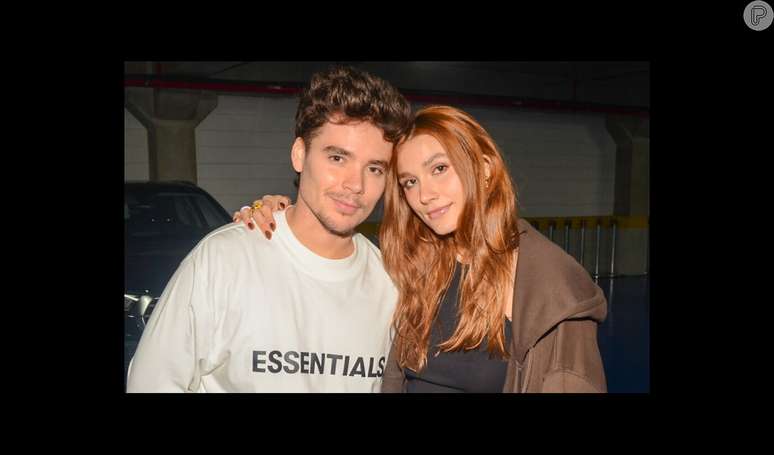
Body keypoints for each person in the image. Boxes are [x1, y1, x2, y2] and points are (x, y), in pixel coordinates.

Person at [238, 105, 608, 392]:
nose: (424, 195)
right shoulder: (420, 265)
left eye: (440, 169)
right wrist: (279, 213)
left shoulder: (550, 291)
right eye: (410, 181)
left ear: (484, 168)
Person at [126, 65, 413, 392]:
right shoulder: (224, 260)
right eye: (337, 158)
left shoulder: (390, 284)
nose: (356, 184)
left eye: (374, 168)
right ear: (300, 154)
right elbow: (150, 383)